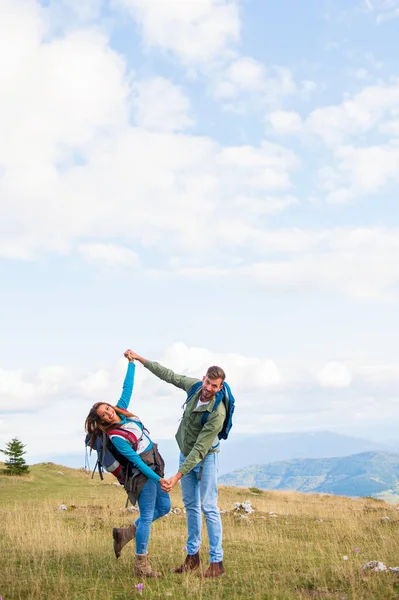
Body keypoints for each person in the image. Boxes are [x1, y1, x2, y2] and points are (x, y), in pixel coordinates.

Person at [127, 350, 229, 578]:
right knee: (191, 507)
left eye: (215, 386)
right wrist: (141, 359)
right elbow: (169, 375)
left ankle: (216, 562)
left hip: (206, 458)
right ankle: (192, 557)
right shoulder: (194, 387)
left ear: (220, 388)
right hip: (185, 454)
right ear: (204, 379)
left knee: (209, 507)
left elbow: (200, 450)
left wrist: (177, 476)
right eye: (208, 383)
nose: (209, 388)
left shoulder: (217, 413)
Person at [85, 350, 171, 578]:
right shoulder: (116, 437)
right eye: (104, 413)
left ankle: (125, 534)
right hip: (142, 475)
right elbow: (134, 460)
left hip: (154, 464)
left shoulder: (122, 412)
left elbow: (127, 389)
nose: (109, 412)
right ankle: (141, 567)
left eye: (108, 408)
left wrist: (132, 363)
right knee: (146, 517)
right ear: (102, 421)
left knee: (164, 508)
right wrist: (158, 479)